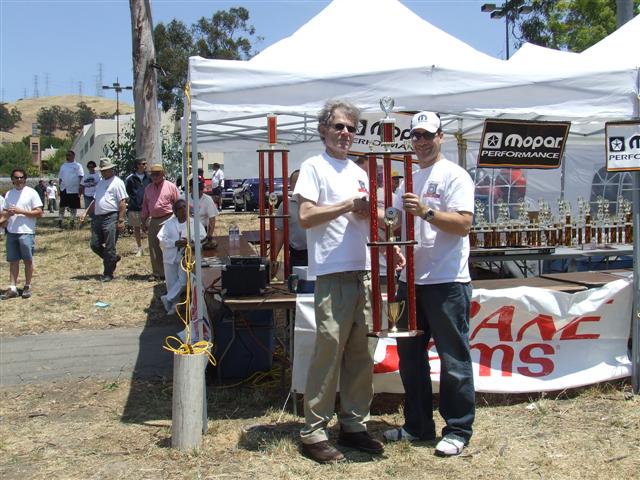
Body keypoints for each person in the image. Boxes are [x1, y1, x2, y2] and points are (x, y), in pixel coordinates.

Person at [294, 99, 400, 464]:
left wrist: (390, 247)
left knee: (361, 354)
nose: (345, 133)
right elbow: (306, 216)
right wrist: (348, 205)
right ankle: (314, 432)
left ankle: (354, 425)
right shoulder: (313, 167)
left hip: (365, 273)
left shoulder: (358, 171)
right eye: (338, 126)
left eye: (350, 128)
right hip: (332, 273)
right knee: (328, 354)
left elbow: (365, 218)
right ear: (324, 130)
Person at [384, 111, 475, 457]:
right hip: (409, 280)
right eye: (416, 135)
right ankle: (418, 425)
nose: (420, 142)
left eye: (427, 135)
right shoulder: (408, 179)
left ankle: (458, 428)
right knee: (409, 357)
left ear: (441, 137)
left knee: (453, 358)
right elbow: (392, 221)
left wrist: (426, 212)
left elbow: (464, 224)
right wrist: (382, 230)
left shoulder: (455, 175)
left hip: (446, 280)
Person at [81, 157, 128, 282]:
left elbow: (122, 202)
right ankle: (112, 259)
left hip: (111, 216)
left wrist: (121, 220)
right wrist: (86, 212)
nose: (103, 172)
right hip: (98, 217)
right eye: (102, 170)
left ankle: (108, 273)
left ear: (111, 169)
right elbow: (95, 200)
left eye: (105, 170)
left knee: (109, 246)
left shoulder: (117, 182)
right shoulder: (101, 182)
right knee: (95, 244)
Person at [1, 168, 44, 300]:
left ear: (25, 179)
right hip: (12, 231)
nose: (19, 180)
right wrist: (8, 215)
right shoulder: (9, 194)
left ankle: (27, 285)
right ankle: (12, 288)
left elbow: (39, 212)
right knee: (13, 260)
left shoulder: (31, 193)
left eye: (21, 177)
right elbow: (4, 212)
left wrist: (21, 211)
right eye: (16, 177)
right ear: (12, 179)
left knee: (27, 260)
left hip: (26, 231)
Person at [157, 198, 206, 314]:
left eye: (185, 207)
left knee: (183, 281)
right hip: (170, 256)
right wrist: (174, 243)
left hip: (185, 257)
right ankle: (174, 306)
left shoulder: (194, 223)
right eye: (180, 208)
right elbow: (161, 240)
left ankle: (167, 298)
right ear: (175, 212)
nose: (183, 210)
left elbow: (202, 236)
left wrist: (191, 241)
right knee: (171, 282)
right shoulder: (168, 224)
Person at [141, 164, 179, 280]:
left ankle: (173, 271)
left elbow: (178, 203)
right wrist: (143, 220)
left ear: (163, 174)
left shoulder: (171, 186)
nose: (155, 176)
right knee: (153, 246)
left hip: (168, 218)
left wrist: (178, 220)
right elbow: (145, 206)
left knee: (170, 246)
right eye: (153, 174)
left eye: (158, 174)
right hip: (153, 220)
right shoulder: (148, 188)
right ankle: (158, 273)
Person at [271, 170, 307, 275]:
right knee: (297, 283)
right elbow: (280, 232)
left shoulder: (319, 203)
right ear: (291, 186)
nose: (300, 184)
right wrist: (273, 257)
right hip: (298, 256)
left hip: (318, 255)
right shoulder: (285, 205)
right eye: (296, 181)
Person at [125, 158, 152, 256]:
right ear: (137, 165)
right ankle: (140, 248)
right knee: (136, 228)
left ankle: (151, 247)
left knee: (150, 228)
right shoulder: (130, 178)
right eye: (143, 164)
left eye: (145, 164)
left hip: (148, 208)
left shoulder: (149, 177)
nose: (145, 166)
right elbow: (127, 192)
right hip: (135, 207)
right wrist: (133, 200)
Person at [57, 149, 84, 228]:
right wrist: (59, 187)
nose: (67, 156)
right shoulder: (63, 166)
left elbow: (81, 177)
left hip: (74, 189)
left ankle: (72, 220)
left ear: (73, 156)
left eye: (69, 155)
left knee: (73, 206)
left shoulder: (78, 166)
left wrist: (80, 187)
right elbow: (60, 178)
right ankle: (60, 220)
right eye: (66, 155)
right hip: (64, 189)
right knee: (62, 206)